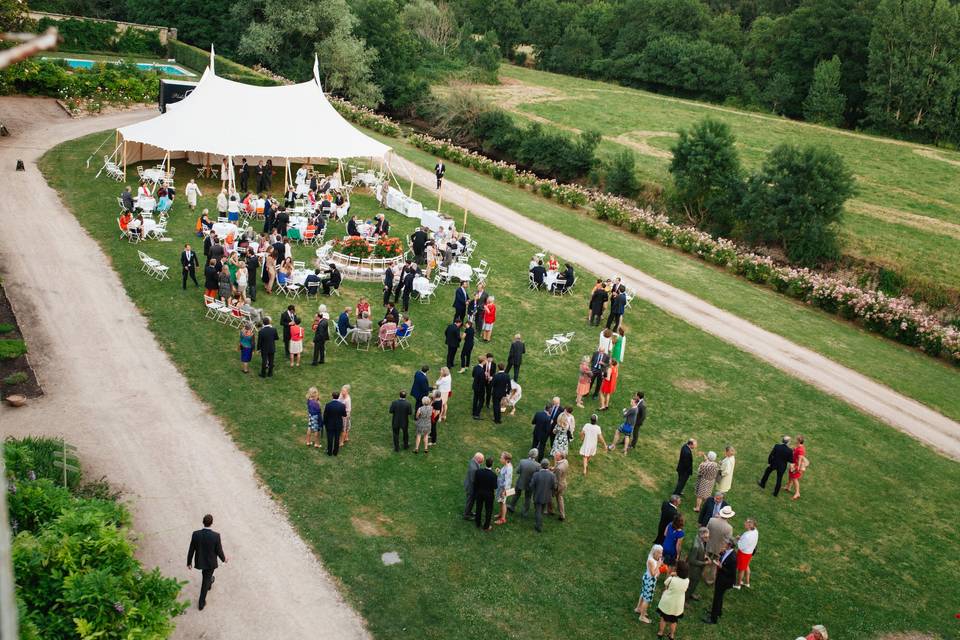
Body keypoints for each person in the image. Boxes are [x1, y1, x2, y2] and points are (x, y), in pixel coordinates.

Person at [186, 513, 227, 611]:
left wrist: (189, 562)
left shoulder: (196, 534)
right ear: (211, 523)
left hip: (200, 561)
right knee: (205, 580)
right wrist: (224, 559)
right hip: (210, 563)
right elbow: (218, 550)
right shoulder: (216, 536)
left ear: (203, 522)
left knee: (206, 577)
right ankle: (201, 603)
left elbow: (191, 549)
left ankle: (210, 582)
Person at [704, 537, 737, 625]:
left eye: (725, 543)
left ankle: (713, 619)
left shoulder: (733, 558)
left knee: (717, 598)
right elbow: (723, 558)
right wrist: (721, 555)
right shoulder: (727, 552)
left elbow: (732, 573)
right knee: (720, 597)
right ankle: (718, 612)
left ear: (729, 545)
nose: (724, 544)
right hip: (721, 578)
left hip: (725, 581)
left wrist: (721, 567)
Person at [655, 562, 690, 639]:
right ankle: (672, 635)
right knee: (674, 621)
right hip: (677, 605)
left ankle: (660, 632)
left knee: (663, 619)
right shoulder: (687, 580)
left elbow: (666, 584)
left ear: (677, 571)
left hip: (668, 603)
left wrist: (671, 575)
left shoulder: (671, 579)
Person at [704, 506, 735, 586]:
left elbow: (706, 530)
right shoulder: (729, 528)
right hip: (719, 549)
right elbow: (728, 541)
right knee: (714, 565)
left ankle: (703, 573)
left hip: (709, 544)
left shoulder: (712, 520)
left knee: (705, 558)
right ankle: (709, 580)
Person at [636, 545, 663, 624]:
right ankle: (642, 616)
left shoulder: (652, 557)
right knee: (647, 599)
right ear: (655, 552)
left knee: (643, 594)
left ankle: (639, 608)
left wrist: (658, 565)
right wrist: (659, 565)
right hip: (650, 581)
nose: (661, 555)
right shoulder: (651, 561)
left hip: (647, 579)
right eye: (660, 553)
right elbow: (653, 573)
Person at [508, 449, 539, 518]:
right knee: (528, 498)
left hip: (521, 481)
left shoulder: (522, 461)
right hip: (530, 484)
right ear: (536, 456)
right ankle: (524, 512)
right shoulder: (537, 465)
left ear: (529, 454)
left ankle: (511, 506)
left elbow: (518, 471)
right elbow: (537, 476)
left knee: (516, 494)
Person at [530, 459, 556, 532]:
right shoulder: (552, 475)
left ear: (541, 465)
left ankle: (538, 526)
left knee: (538, 511)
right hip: (547, 496)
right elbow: (554, 486)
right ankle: (540, 519)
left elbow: (531, 485)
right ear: (548, 466)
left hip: (537, 495)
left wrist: (534, 490)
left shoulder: (536, 474)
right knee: (541, 510)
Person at [685, 527, 710, 602]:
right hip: (694, 570)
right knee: (691, 585)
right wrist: (704, 563)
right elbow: (691, 560)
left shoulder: (699, 539)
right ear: (701, 536)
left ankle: (690, 594)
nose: (708, 539)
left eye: (708, 536)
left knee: (694, 584)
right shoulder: (696, 546)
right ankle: (685, 600)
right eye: (706, 537)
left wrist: (704, 555)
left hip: (697, 568)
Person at [473, 457, 498, 531]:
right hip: (489, 495)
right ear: (492, 464)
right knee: (488, 510)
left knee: (478, 507)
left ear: (485, 463)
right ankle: (486, 526)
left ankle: (477, 523)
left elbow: (476, 483)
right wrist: (496, 475)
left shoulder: (478, 472)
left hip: (479, 493)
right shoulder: (493, 475)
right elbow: (495, 486)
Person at [734, 518, 759, 589]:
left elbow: (741, 546)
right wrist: (741, 538)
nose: (744, 523)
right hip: (750, 552)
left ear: (750, 526)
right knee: (746, 566)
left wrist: (738, 539)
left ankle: (738, 585)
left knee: (741, 570)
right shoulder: (756, 531)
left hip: (744, 554)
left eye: (746, 523)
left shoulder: (748, 536)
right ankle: (747, 583)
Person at [323, 391, 347, 456]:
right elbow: (344, 415)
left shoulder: (328, 405)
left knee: (330, 438)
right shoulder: (342, 405)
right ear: (338, 397)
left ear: (332, 396)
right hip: (338, 424)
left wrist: (324, 423)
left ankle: (329, 452)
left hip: (330, 424)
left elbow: (325, 415)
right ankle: (335, 452)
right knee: (337, 438)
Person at [785, 436, 808, 500]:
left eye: (796, 439)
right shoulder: (798, 446)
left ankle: (797, 493)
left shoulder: (801, 449)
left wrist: (797, 468)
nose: (795, 440)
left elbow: (800, 459)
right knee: (790, 475)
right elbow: (794, 450)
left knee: (795, 479)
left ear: (799, 441)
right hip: (793, 463)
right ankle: (788, 487)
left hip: (796, 465)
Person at [494, 452, 513, 525]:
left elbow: (507, 481)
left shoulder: (508, 468)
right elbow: (504, 476)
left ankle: (503, 519)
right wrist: (499, 472)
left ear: (506, 459)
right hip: (501, 487)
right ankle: (500, 514)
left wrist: (504, 491)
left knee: (503, 502)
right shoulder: (506, 465)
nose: (500, 459)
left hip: (504, 489)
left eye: (501, 458)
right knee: (501, 502)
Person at [548, 452, 569, 521]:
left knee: (549, 496)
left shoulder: (559, 468)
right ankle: (562, 515)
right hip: (564, 483)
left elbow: (556, 479)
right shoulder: (565, 461)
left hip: (558, 485)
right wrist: (553, 468)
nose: (555, 456)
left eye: (556, 455)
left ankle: (550, 511)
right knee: (560, 499)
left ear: (560, 457)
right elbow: (557, 469)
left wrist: (554, 488)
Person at [462, 452, 484, 519]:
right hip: (471, 488)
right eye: (481, 460)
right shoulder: (474, 469)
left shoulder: (472, 460)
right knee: (470, 501)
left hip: (468, 483)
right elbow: (474, 480)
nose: (482, 461)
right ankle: (466, 515)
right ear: (477, 459)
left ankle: (469, 511)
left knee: (471, 501)